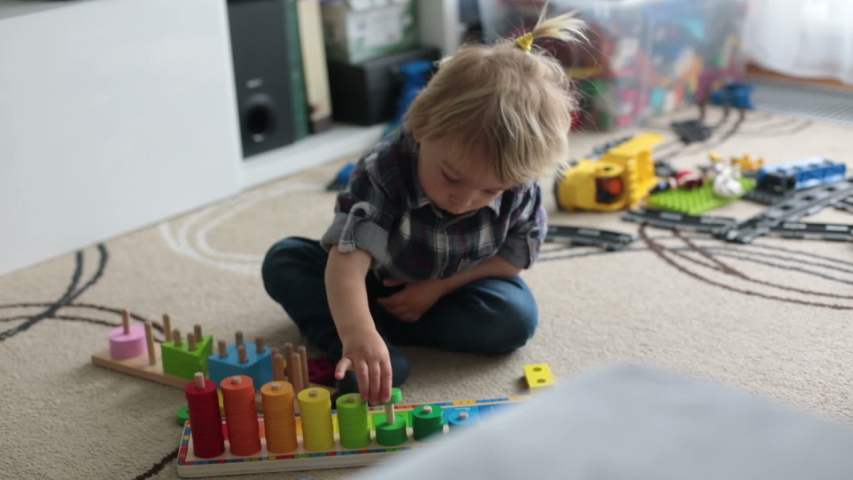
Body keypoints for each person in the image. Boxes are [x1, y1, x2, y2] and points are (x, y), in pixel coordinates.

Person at [262, 10, 586, 406]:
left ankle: (379, 333)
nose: (464, 200)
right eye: (452, 177)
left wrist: (436, 289)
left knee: (514, 319)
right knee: (285, 261)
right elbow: (348, 258)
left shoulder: (518, 185)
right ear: (421, 126)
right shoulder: (384, 169)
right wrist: (356, 330)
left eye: (489, 190)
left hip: (455, 287)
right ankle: (361, 341)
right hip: (374, 281)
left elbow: (512, 259)